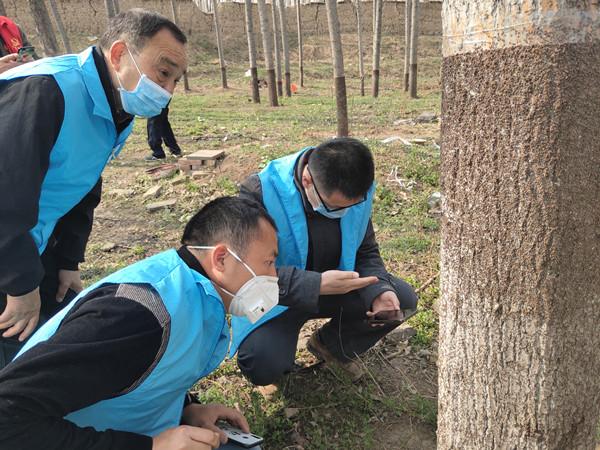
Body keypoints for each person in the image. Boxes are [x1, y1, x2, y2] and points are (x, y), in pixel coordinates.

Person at [0, 196, 276, 450]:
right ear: (221, 259)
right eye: (268, 262)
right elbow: (7, 417)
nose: (274, 277)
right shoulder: (137, 316)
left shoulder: (193, 296)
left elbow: (141, 374)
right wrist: (152, 446)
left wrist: (186, 409)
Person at [0, 8, 188, 368]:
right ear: (119, 55)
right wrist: (21, 287)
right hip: (9, 250)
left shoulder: (115, 103)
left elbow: (84, 180)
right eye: (164, 73)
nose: (167, 91)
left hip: (34, 242)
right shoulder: (45, 91)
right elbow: (5, 198)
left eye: (176, 80)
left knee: (57, 341)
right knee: (18, 370)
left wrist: (67, 260)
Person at [234, 137, 418, 384]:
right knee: (262, 361)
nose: (344, 213)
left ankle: (329, 345)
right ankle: (279, 362)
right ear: (307, 180)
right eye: (335, 208)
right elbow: (245, 273)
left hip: (337, 287)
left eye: (351, 207)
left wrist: (379, 290)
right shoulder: (260, 194)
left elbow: (366, 250)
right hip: (277, 298)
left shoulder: (356, 190)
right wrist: (315, 284)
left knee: (402, 300)